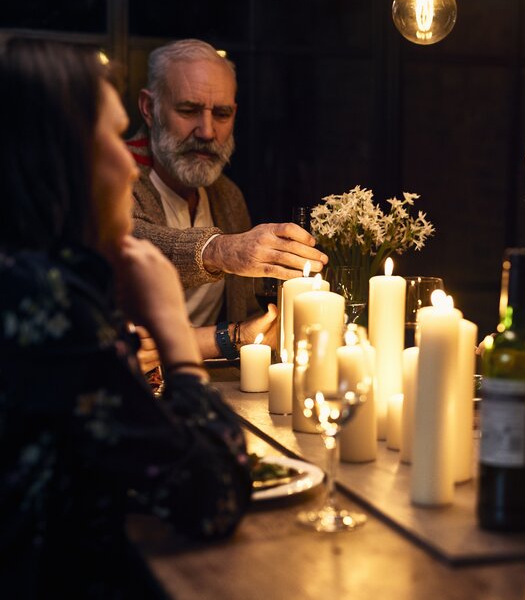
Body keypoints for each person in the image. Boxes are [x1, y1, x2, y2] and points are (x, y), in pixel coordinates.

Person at [0, 39, 251, 596]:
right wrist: (176, 341)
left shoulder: (26, 276)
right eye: (113, 140)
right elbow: (213, 495)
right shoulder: (52, 306)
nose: (128, 164)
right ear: (59, 159)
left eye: (222, 112)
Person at [129, 38, 327, 360]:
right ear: (150, 108)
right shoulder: (111, 177)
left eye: (221, 114)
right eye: (188, 110)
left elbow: (248, 316)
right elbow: (131, 244)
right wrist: (221, 250)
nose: (207, 131)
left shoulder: (227, 196)